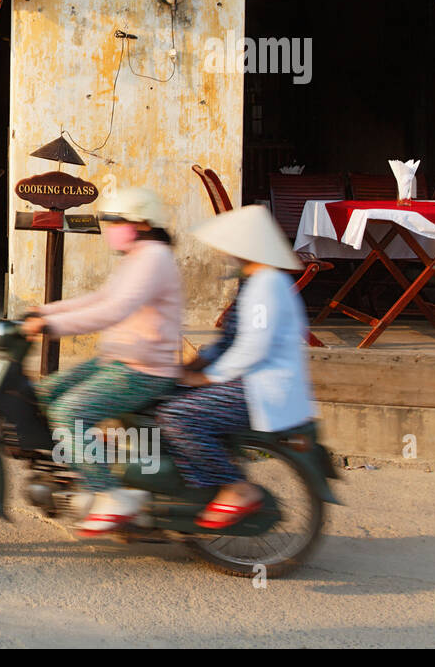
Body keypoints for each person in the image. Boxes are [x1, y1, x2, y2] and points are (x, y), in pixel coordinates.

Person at [20, 187, 183, 535]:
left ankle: (109, 495)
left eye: (114, 220)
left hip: (144, 370)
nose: (108, 226)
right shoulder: (137, 256)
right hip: (119, 362)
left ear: (139, 223)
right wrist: (41, 311)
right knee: (44, 393)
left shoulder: (153, 257)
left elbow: (114, 310)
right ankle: (89, 464)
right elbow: (102, 297)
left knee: (69, 413)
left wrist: (51, 325)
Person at [158, 205, 315, 528]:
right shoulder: (253, 283)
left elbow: (254, 345)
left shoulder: (267, 284)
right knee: (162, 394)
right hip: (244, 379)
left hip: (258, 387)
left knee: (177, 416)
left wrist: (207, 376)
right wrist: (199, 361)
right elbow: (230, 340)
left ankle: (236, 487)